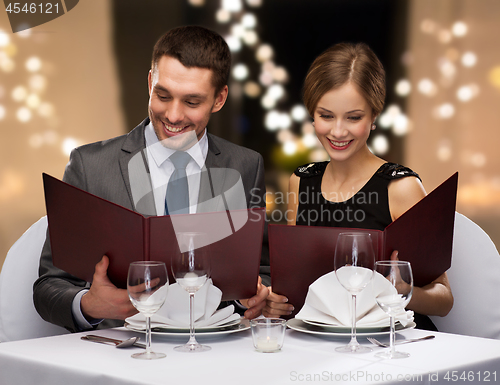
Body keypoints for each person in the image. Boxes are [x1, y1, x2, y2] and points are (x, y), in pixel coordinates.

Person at [34, 26, 269, 332]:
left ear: (220, 98)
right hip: (121, 358)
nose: (173, 115)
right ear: (150, 83)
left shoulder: (246, 165)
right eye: (163, 95)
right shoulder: (89, 166)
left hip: (213, 353)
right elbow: (48, 286)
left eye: (192, 102)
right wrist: (88, 305)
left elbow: (259, 271)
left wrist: (253, 297)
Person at [264, 42, 453, 330]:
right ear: (311, 114)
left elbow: (444, 300)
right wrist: (278, 301)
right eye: (326, 116)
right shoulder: (300, 181)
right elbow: (293, 285)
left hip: (390, 343)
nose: (338, 131)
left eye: (353, 117)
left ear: (374, 116)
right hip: (322, 343)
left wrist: (402, 291)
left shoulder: (400, 187)